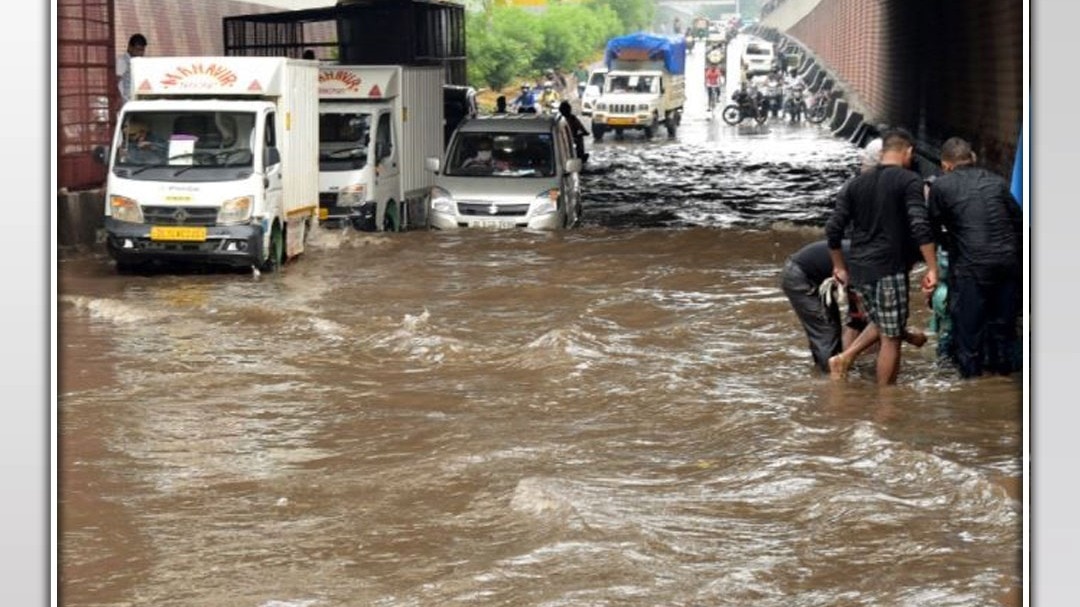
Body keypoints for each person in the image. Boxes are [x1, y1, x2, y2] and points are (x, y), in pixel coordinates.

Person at [824, 128, 939, 385]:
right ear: (907, 151)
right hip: (889, 267)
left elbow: (833, 229)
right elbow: (920, 225)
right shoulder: (909, 181)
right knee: (891, 336)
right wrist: (932, 267)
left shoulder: (855, 184)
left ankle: (846, 357)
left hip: (859, 268)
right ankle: (886, 401)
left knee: (881, 322)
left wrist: (839, 266)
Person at [927, 137, 1022, 377]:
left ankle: (971, 383)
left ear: (945, 165)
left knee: (969, 331)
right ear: (973, 158)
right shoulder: (998, 183)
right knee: (1004, 329)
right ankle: (1004, 377)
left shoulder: (941, 186)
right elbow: (1019, 224)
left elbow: (933, 229)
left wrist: (951, 248)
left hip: (972, 266)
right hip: (1007, 264)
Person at [781, 240, 868, 373]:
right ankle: (830, 376)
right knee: (826, 330)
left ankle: (830, 367)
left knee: (832, 325)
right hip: (800, 275)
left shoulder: (866, 255)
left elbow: (857, 314)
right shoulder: (865, 262)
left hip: (807, 272)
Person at [116, 33, 147, 104]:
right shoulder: (122, 61)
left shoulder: (136, 62)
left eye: (142, 50)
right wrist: (118, 99)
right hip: (126, 102)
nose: (140, 53)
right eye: (138, 50)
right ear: (130, 47)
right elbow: (115, 82)